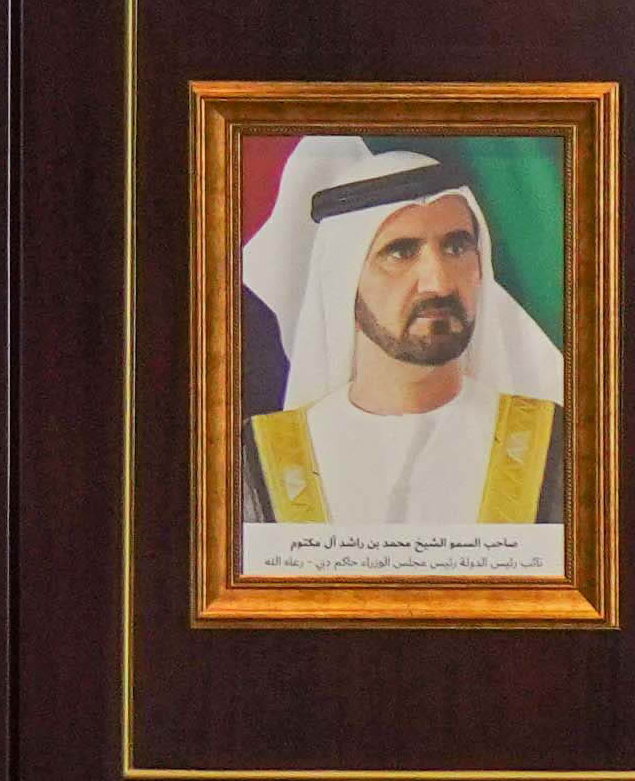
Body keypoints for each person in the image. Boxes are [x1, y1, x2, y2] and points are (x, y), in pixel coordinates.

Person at [233, 137, 570, 547]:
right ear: (343, 284)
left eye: (456, 246)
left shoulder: (555, 447)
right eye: (401, 252)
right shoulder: (255, 461)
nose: (438, 283)